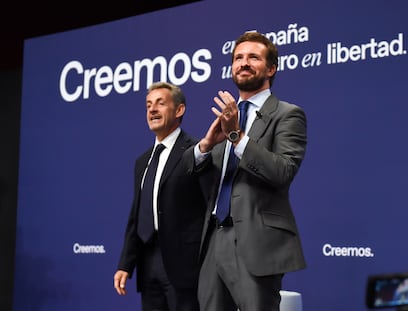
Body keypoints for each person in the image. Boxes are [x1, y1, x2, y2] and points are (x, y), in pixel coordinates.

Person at [184, 31, 307, 311]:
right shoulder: (228, 118)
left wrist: (237, 138)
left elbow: (283, 171)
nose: (244, 63)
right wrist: (205, 145)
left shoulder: (287, 114)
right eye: (238, 58)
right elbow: (189, 175)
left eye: (253, 57)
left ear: (271, 68)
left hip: (256, 241)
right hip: (214, 240)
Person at [113, 81, 206, 311]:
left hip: (183, 264)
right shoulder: (142, 162)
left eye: (160, 103)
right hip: (148, 261)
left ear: (179, 110)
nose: (152, 110)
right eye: (148, 105)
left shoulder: (197, 151)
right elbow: (138, 214)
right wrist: (126, 263)